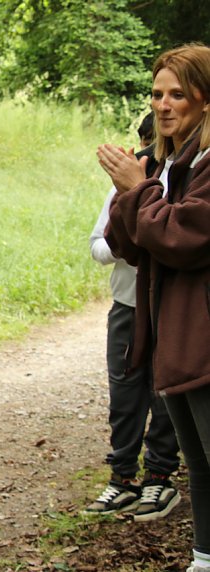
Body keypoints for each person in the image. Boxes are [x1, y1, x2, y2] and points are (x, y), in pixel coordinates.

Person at [101, 43, 210, 572]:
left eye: (177, 95)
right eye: (156, 94)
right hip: (175, 339)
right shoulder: (173, 165)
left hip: (203, 340)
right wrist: (131, 193)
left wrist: (138, 190)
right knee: (199, 465)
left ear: (205, 101)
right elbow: (131, 246)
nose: (163, 106)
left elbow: (184, 236)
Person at [85, 113, 181, 521]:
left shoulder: (189, 176)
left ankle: (159, 475)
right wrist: (124, 244)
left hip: (172, 305)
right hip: (127, 304)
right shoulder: (130, 176)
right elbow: (97, 246)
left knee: (166, 393)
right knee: (124, 394)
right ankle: (121, 477)